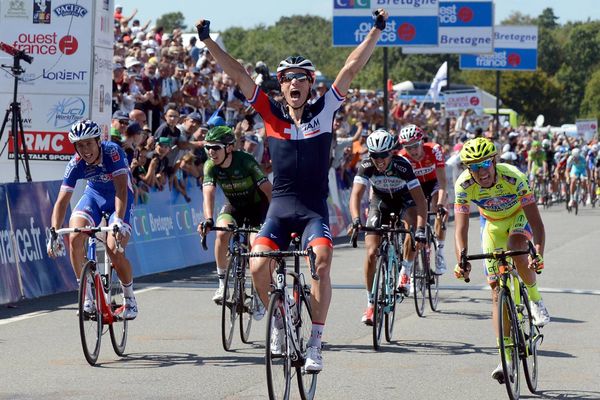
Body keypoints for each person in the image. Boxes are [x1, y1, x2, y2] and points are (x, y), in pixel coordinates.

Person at [195, 8, 389, 372]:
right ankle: (280, 322)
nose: (293, 84)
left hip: (314, 209)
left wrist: (376, 32)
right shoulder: (270, 113)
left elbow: (350, 67)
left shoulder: (324, 109)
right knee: (256, 264)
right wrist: (208, 41)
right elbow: (237, 72)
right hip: (280, 209)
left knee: (322, 262)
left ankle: (316, 341)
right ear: (281, 86)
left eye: (301, 78)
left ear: (309, 84)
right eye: (287, 79)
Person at [453, 137, 550, 383]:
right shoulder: (463, 185)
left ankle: (536, 300)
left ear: (494, 161)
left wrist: (537, 252)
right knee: (496, 292)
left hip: (519, 217)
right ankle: (505, 356)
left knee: (516, 246)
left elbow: (537, 223)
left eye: (485, 163)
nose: (481, 171)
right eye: (474, 167)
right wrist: (462, 260)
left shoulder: (513, 177)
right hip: (492, 225)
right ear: (468, 169)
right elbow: (460, 229)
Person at [47, 120, 138, 320]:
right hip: (94, 197)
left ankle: (130, 300)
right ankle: (87, 298)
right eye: (80, 145)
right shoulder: (75, 164)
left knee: (114, 250)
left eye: (89, 143)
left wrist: (118, 221)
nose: (85, 149)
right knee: (75, 237)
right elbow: (62, 202)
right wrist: (53, 231)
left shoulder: (113, 152)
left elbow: (122, 189)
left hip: (119, 198)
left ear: (98, 141)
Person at [349, 129, 427, 325]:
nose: (379, 160)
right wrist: (356, 219)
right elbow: (356, 195)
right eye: (375, 155)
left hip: (404, 200)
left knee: (410, 227)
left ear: (391, 152)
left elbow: (420, 201)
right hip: (380, 201)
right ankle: (370, 304)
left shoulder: (403, 166)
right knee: (371, 252)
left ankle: (405, 271)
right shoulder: (366, 165)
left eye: (383, 155)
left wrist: (420, 229)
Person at [198, 126, 272, 312]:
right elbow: (208, 193)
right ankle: (222, 284)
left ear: (229, 148)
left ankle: (258, 291)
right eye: (207, 147)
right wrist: (208, 219)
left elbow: (268, 191)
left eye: (215, 147)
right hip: (235, 206)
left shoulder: (246, 161)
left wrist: (274, 219)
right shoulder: (210, 165)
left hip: (258, 208)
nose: (210, 152)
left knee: (257, 250)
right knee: (222, 234)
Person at [398, 124, 448, 274]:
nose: (413, 151)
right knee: (411, 220)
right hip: (415, 186)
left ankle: (440, 251)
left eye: (415, 146)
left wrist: (440, 203)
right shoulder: (401, 157)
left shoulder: (434, 150)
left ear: (422, 142)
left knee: (439, 209)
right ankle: (411, 265)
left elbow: (443, 182)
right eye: (408, 147)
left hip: (433, 183)